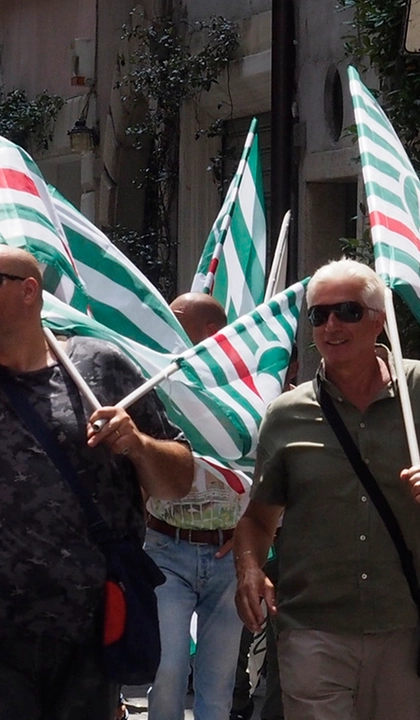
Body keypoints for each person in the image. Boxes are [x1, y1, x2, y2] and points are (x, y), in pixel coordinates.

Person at [0, 245, 193, 720]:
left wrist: (138, 444)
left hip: (87, 626)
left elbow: (178, 480)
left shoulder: (100, 365)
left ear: (30, 291)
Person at [232, 259, 420, 720]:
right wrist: (249, 570)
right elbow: (258, 518)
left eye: (347, 311)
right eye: (319, 315)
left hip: (401, 623)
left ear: (378, 319)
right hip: (311, 626)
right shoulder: (286, 414)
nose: (331, 325)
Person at [145, 292, 245, 720]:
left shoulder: (247, 391)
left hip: (229, 554)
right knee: (167, 669)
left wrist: (254, 537)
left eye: (176, 318)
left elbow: (271, 465)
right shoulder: (156, 384)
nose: (166, 326)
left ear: (210, 332)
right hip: (166, 548)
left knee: (217, 682)